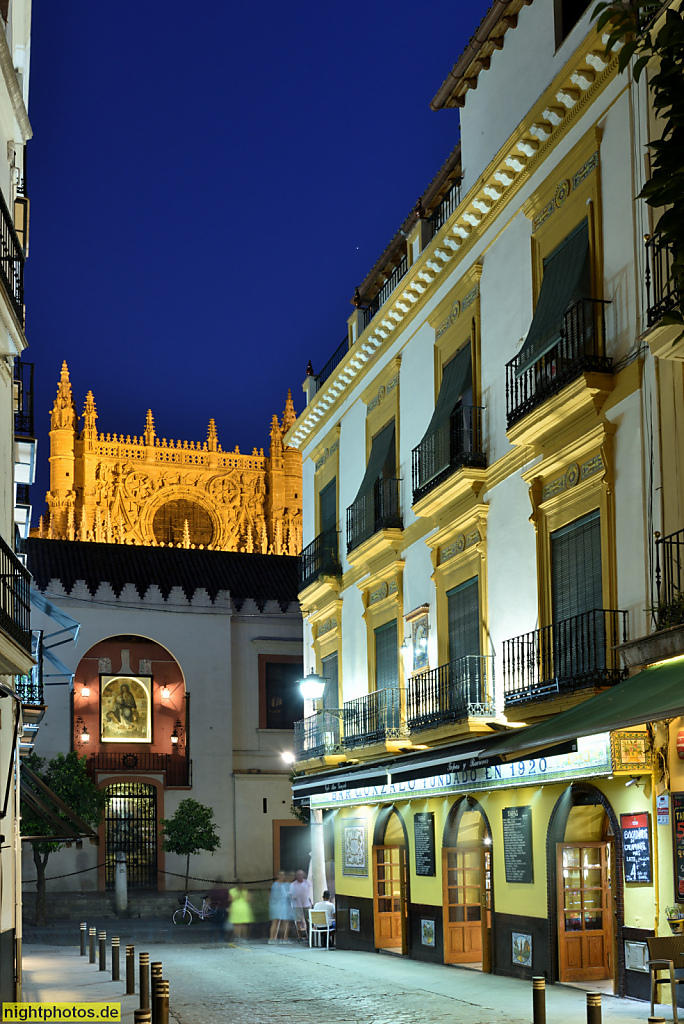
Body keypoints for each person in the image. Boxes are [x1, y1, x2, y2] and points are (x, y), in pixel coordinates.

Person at [268, 870, 293, 944]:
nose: (282, 877)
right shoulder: (275, 885)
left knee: (285, 922)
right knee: (276, 921)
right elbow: (275, 896)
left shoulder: (284, 884)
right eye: (281, 875)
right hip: (277, 905)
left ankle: (284, 939)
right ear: (278, 876)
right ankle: (272, 938)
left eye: (283, 875)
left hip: (284, 905)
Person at [289, 868, 312, 943]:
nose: (300, 876)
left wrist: (311, 901)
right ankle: (299, 937)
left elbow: (311, 892)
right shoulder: (293, 885)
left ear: (303, 875)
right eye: (298, 875)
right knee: (298, 921)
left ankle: (309, 935)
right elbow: (290, 895)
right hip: (297, 905)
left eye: (301, 875)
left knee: (308, 921)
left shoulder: (307, 882)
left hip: (306, 904)